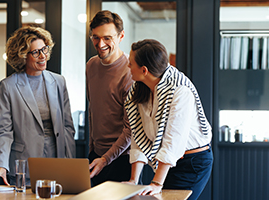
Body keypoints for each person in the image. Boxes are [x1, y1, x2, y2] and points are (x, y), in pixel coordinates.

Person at [0, 26, 76, 186]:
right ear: (22, 56)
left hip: (57, 163)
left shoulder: (59, 81)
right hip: (24, 165)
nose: (43, 56)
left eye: (44, 49)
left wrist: (70, 164)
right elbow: (3, 130)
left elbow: (68, 127)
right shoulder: (8, 86)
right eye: (35, 52)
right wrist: (0, 163)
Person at [124, 39, 213, 200]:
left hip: (192, 163)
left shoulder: (180, 90)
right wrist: (134, 180)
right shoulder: (139, 89)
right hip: (167, 163)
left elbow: (174, 141)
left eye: (130, 63)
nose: (128, 67)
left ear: (144, 70)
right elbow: (138, 134)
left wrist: (157, 184)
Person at [86, 10, 133, 186]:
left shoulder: (130, 72)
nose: (100, 44)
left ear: (121, 36)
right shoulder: (91, 65)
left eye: (107, 38)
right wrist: (93, 151)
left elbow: (130, 129)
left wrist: (106, 159)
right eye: (95, 37)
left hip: (123, 160)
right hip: (96, 157)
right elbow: (93, 111)